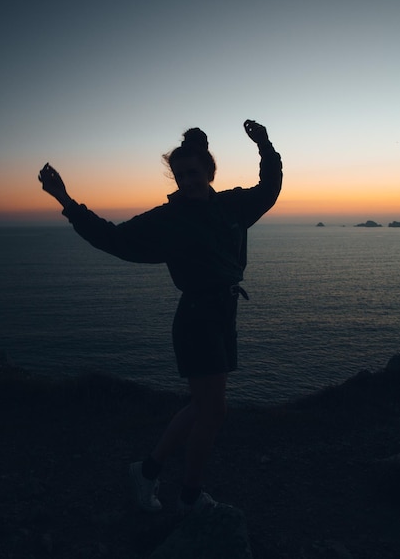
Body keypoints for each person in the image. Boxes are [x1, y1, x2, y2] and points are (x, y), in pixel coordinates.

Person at [38, 119, 283, 515]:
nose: (186, 181)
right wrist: (66, 201)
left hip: (223, 313)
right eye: (180, 174)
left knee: (203, 407)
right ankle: (188, 498)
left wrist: (265, 145)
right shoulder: (168, 220)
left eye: (194, 173)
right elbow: (113, 238)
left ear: (209, 173)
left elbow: (269, 188)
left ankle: (147, 471)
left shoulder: (233, 206)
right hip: (197, 320)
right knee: (214, 411)